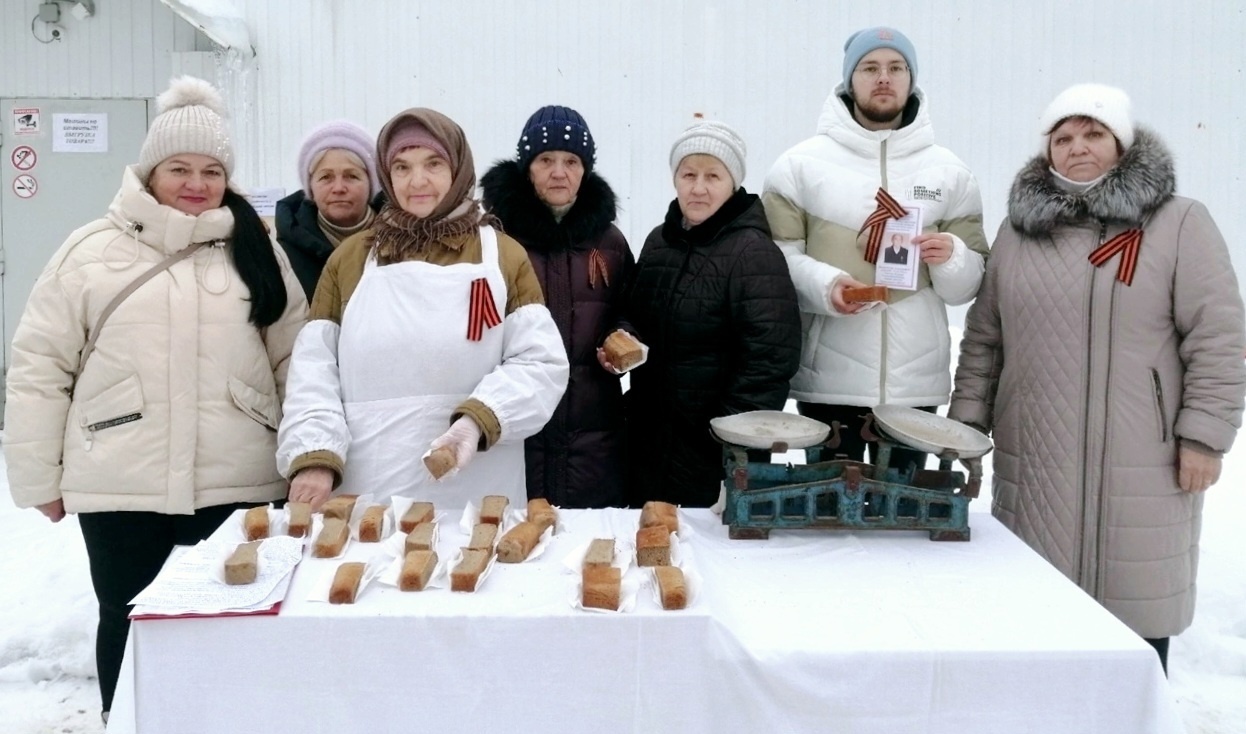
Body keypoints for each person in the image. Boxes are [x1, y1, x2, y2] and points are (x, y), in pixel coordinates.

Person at [3, 76, 307, 722]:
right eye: (179, 168)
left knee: (236, 621)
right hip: (120, 477)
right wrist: (38, 477)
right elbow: (39, 367)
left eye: (211, 170)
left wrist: (304, 457)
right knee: (130, 617)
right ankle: (128, 721)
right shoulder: (87, 253)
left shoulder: (259, 253)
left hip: (239, 478)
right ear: (149, 171)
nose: (196, 184)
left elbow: (296, 361)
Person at [949, 83, 1246, 674]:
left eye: (1093, 134)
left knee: (1136, 616)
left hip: (1147, 459)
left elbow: (1219, 337)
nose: (1077, 147)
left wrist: (1205, 437)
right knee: (1037, 620)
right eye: (1063, 137)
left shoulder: (1179, 222)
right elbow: (986, 338)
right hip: (1034, 456)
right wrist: (963, 428)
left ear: (1122, 143)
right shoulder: (1018, 233)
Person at [278, 108, 569, 510]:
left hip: (479, 485)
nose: (417, 181)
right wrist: (315, 455)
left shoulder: (502, 255)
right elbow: (314, 372)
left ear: (457, 168)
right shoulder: (349, 259)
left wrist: (479, 421)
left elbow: (541, 363)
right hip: (370, 490)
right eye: (401, 167)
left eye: (433, 164)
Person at [762, 26, 989, 471]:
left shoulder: (951, 172)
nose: (883, 77)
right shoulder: (799, 167)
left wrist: (953, 258)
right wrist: (827, 287)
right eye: (870, 68)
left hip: (915, 387)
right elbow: (776, 262)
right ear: (850, 80)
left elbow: (969, 285)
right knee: (829, 514)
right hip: (828, 384)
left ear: (911, 78)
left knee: (905, 522)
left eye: (895, 67)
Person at [625, 120, 802, 508]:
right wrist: (621, 336)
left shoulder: (753, 252)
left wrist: (727, 435)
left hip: (714, 452)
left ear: (733, 183)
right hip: (649, 442)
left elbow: (770, 360)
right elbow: (633, 314)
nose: (698, 187)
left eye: (713, 176)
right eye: (689, 174)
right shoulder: (659, 243)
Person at [481, 105, 633, 508]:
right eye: (545, 160)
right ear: (527, 167)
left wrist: (623, 337)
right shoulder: (493, 239)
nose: (559, 172)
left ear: (586, 169)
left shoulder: (610, 242)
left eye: (571, 161)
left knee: (591, 552)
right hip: (516, 430)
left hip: (593, 433)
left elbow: (629, 308)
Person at [275, 120, 382, 301]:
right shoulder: (282, 256)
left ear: (370, 185)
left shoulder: (402, 243)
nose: (339, 188)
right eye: (326, 177)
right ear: (310, 188)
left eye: (352, 176)